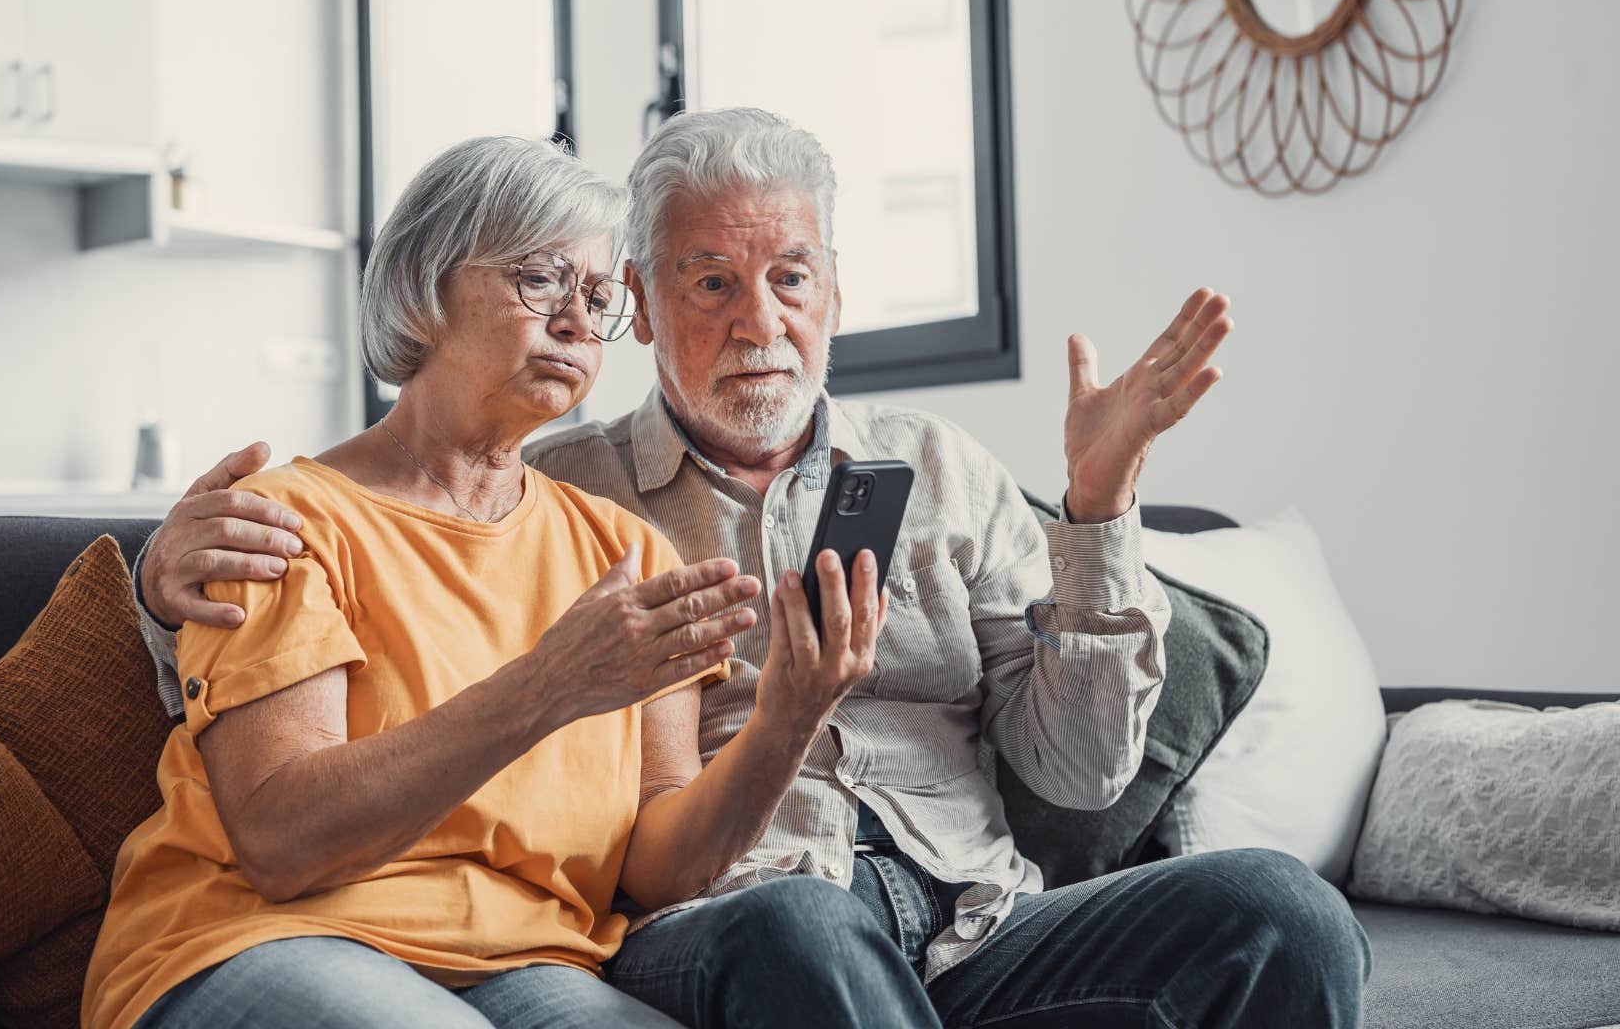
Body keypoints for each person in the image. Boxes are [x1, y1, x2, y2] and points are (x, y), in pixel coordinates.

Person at [134, 109, 1371, 1027]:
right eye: (709, 283)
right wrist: (156, 583)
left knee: (1282, 911)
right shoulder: (576, 491)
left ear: (836, 292)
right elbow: (287, 674)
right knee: (802, 924)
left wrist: (1095, 513)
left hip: (977, 913)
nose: (758, 319)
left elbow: (1084, 776)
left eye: (789, 279)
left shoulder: (916, 475)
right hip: (749, 918)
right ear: (654, 303)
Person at [83, 134, 893, 1029]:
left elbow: (654, 867)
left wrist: (788, 717)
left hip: (533, 961)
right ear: (427, 288)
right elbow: (283, 842)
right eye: (541, 281)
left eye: (595, 297)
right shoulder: (280, 521)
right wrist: (549, 685)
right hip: (267, 935)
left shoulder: (625, 551)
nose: (579, 323)